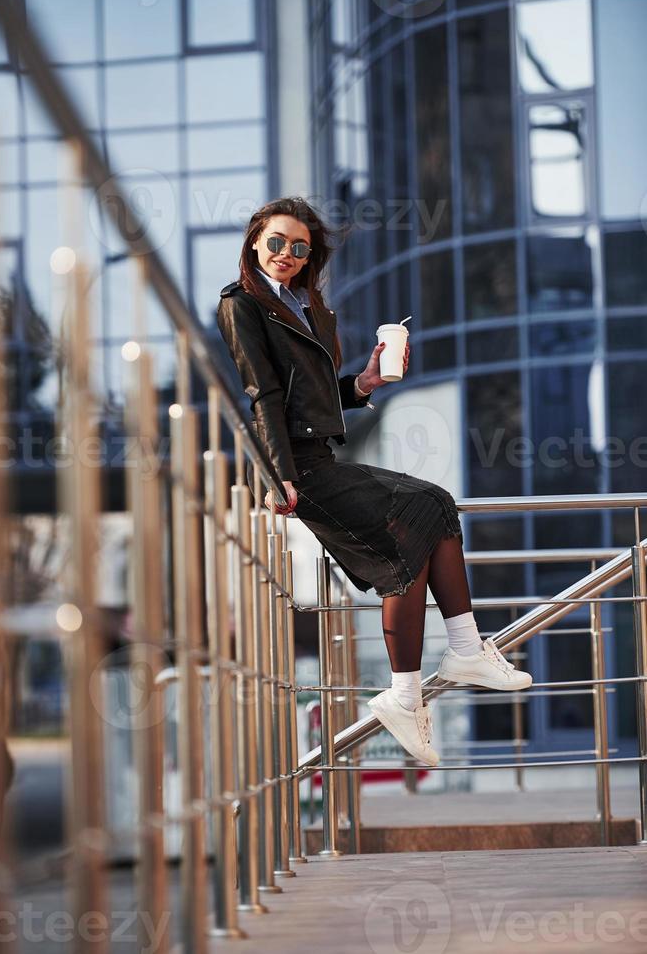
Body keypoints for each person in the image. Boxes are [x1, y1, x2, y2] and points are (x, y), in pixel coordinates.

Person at [216, 196, 531, 766]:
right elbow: (263, 395)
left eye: (300, 247)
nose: (287, 254)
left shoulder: (307, 306)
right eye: (276, 242)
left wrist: (362, 382)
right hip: (297, 469)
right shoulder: (244, 305)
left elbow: (309, 401)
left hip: (318, 458)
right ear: (254, 244)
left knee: (428, 511)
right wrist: (280, 476)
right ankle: (446, 662)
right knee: (420, 514)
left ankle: (427, 679)